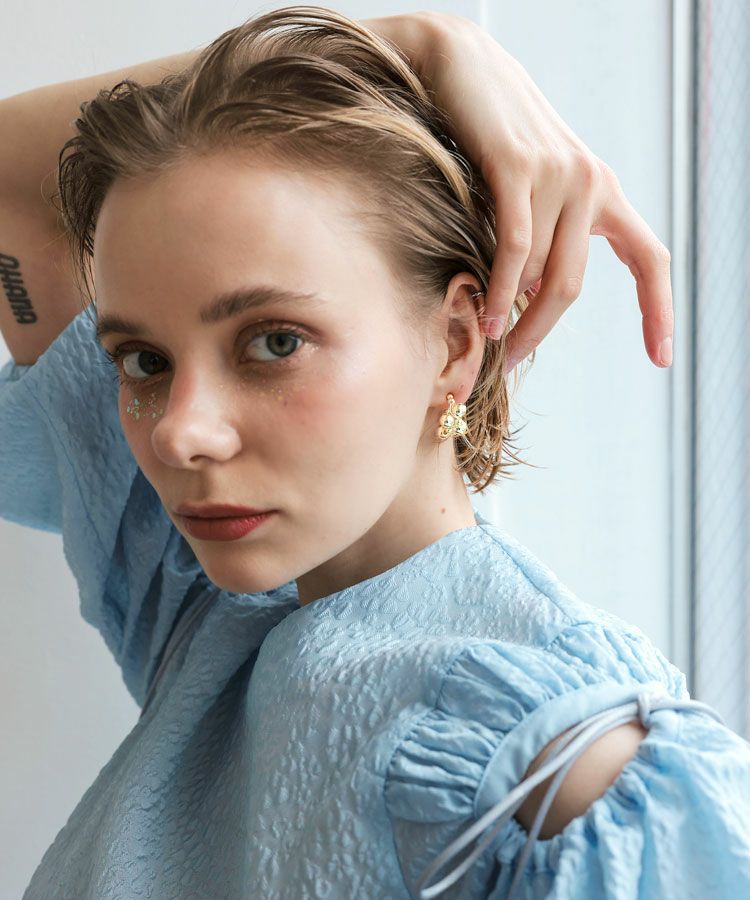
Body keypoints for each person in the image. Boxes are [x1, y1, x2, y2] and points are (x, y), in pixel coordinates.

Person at [2, 6, 745, 899]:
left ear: (456, 342)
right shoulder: (204, 623)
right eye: (144, 360)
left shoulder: (561, 773)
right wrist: (420, 46)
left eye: (274, 342)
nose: (179, 432)